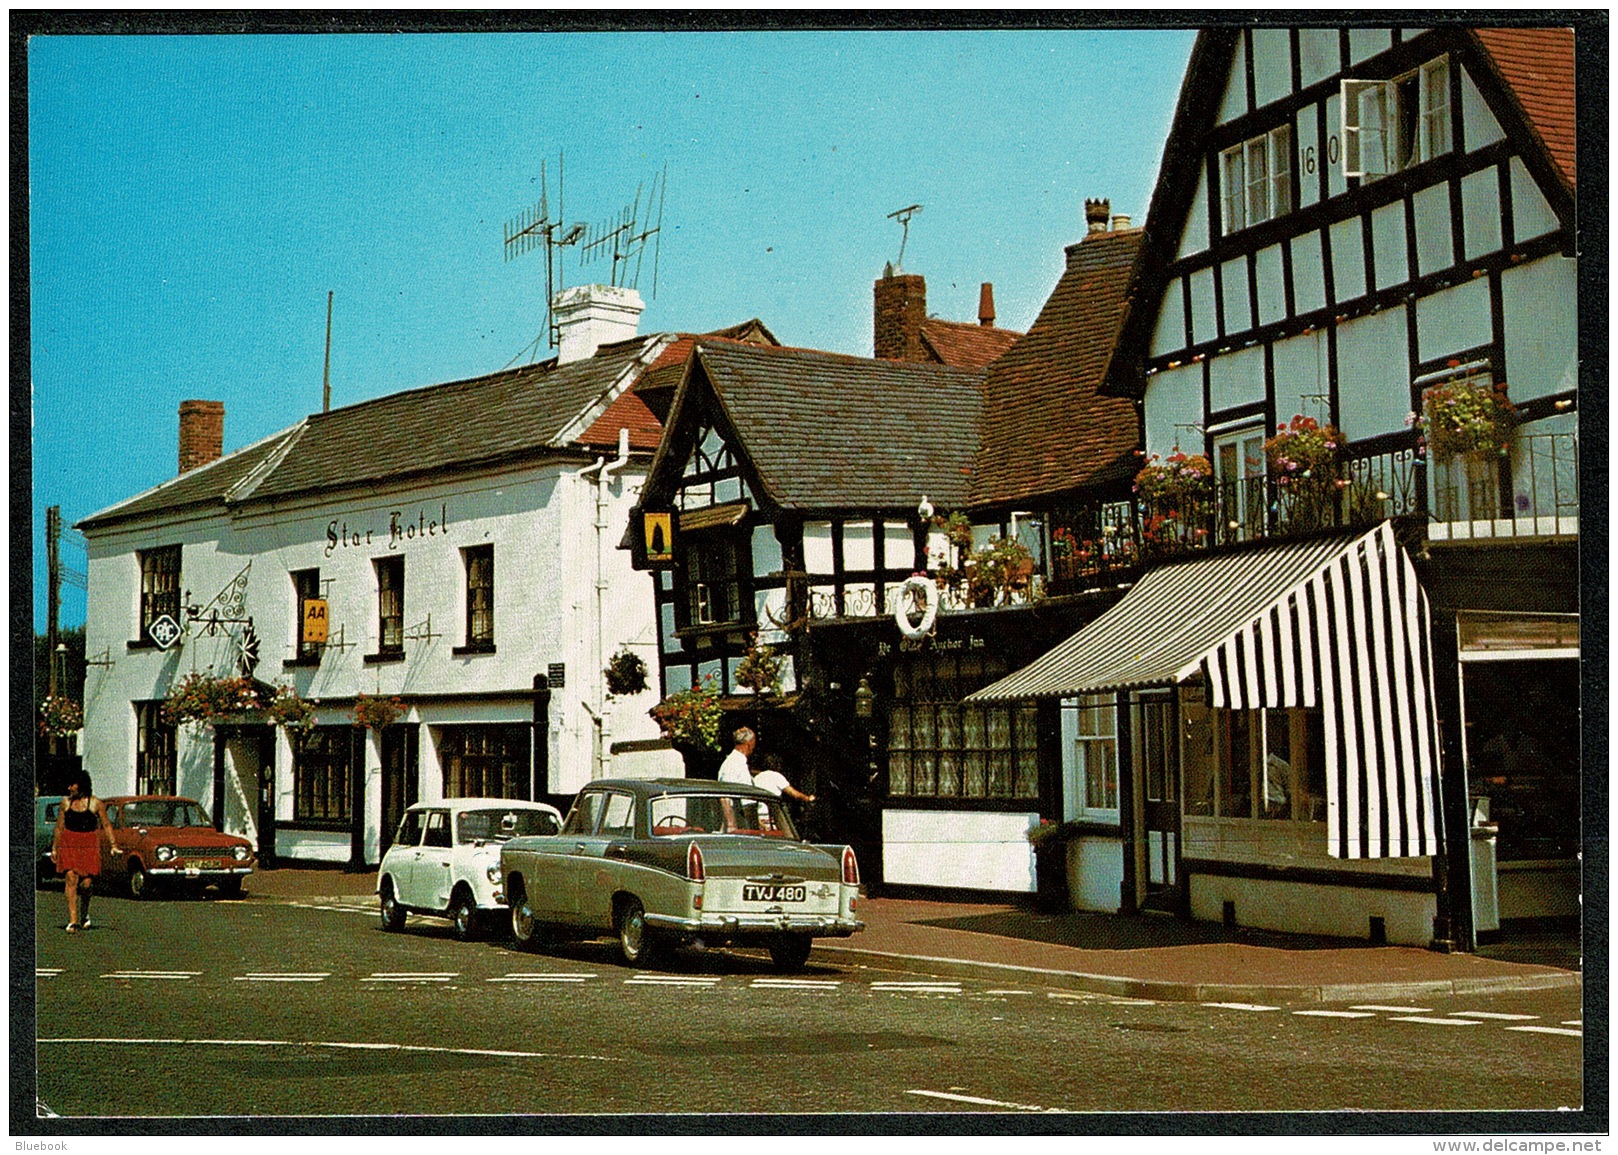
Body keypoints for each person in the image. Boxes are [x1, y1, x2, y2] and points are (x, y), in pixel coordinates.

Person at [52, 769, 110, 933]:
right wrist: (55, 848)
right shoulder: (65, 803)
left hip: (88, 844)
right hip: (69, 842)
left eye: (72, 785)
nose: (69, 788)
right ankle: (73, 920)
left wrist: (113, 844)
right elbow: (59, 828)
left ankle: (84, 913)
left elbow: (106, 825)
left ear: (81, 785)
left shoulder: (95, 803)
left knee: (86, 884)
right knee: (71, 877)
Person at [750, 753, 816, 804]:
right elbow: (793, 793)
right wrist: (807, 798)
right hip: (772, 811)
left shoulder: (757, 777)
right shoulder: (776, 776)